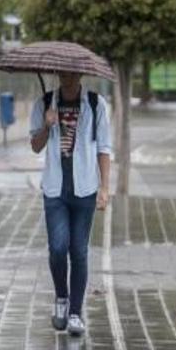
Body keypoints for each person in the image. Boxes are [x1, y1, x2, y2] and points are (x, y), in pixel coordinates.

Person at [30, 72, 111, 336]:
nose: (67, 77)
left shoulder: (96, 104)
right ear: (57, 73)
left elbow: (104, 148)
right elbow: (35, 146)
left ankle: (75, 313)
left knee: (78, 250)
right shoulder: (44, 104)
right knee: (57, 247)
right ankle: (61, 298)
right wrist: (46, 126)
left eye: (73, 73)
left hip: (85, 188)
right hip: (55, 189)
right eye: (62, 72)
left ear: (81, 74)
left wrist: (105, 188)